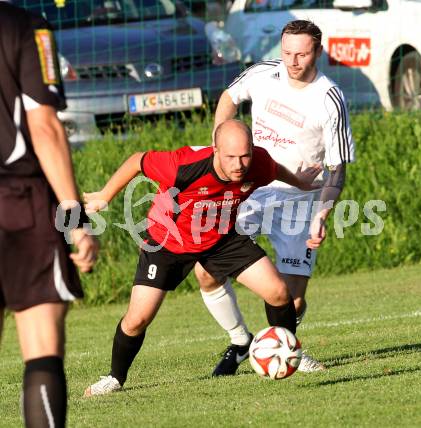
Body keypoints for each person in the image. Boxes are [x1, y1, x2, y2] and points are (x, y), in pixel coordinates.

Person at [82, 119, 321, 396]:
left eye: (245, 155)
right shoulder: (183, 165)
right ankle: (114, 378)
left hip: (221, 238)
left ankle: (290, 351)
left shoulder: (258, 163)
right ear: (215, 149)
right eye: (231, 157)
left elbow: (273, 169)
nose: (239, 165)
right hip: (167, 241)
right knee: (137, 320)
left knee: (279, 292)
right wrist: (104, 196)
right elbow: (138, 160)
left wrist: (300, 182)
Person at [194, 19, 355, 376]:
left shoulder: (330, 99)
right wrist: (220, 146)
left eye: (301, 54)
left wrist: (323, 214)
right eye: (286, 53)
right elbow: (229, 98)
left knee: (291, 300)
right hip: (249, 189)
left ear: (318, 51)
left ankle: (284, 351)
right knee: (206, 270)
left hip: (299, 200)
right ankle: (239, 343)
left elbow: (337, 171)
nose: (292, 61)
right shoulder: (263, 73)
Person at [0, 3, 99, 427]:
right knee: (40, 347)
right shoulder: (23, 24)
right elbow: (44, 128)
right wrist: (75, 222)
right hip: (19, 198)